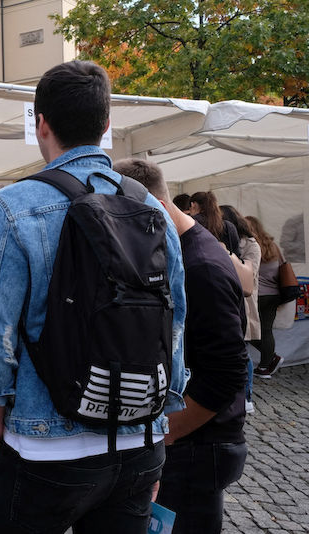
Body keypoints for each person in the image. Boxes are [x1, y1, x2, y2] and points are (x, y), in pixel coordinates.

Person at [0, 62, 186, 534]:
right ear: (107, 125)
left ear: (40, 122)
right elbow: (176, 321)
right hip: (138, 441)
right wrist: (158, 424)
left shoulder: (12, 206)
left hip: (44, 446)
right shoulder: (150, 207)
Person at [115, 159, 247, 534]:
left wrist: (167, 430)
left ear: (146, 203)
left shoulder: (200, 264)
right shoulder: (181, 250)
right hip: (192, 440)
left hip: (199, 444)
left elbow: (227, 372)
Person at [221, 205, 261, 414]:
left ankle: (247, 396)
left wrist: (230, 256)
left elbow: (248, 276)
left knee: (244, 353)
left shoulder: (251, 245)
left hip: (245, 304)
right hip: (233, 302)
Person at [246, 215, 286, 378]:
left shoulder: (250, 245)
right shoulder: (273, 245)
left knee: (249, 330)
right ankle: (265, 365)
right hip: (274, 294)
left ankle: (270, 359)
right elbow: (283, 266)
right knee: (266, 330)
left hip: (257, 296)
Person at [189, 191, 240, 256]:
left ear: (193, 205)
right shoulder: (229, 226)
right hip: (225, 264)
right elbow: (237, 254)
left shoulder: (192, 223)